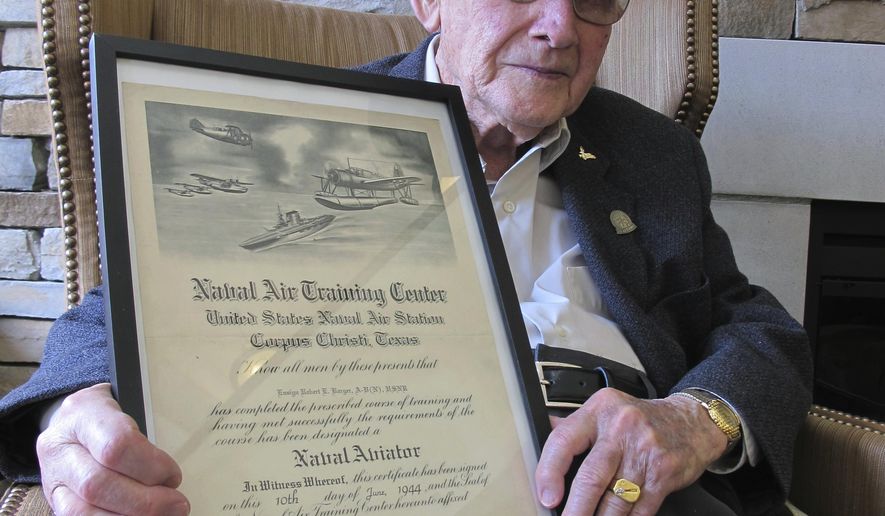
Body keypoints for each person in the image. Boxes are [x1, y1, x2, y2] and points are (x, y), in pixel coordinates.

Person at [0, 0, 812, 515]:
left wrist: (692, 419)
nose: (560, 26)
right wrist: (70, 414)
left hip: (609, 482)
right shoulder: (295, 123)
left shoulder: (654, 152)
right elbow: (119, 313)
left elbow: (750, 323)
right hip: (364, 463)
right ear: (428, 2)